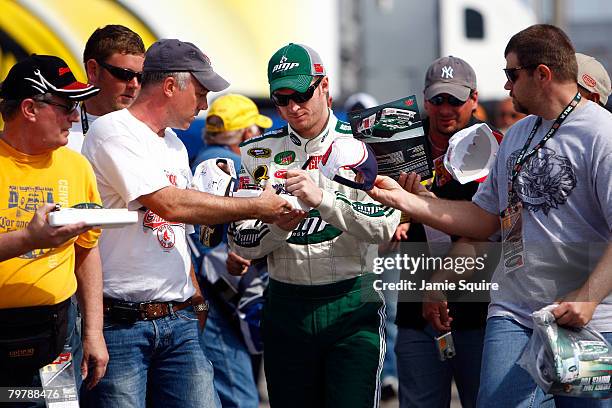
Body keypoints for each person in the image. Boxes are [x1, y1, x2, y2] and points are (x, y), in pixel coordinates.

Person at [367, 24, 612, 408]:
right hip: (513, 313)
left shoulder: (602, 136)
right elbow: (484, 220)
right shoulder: (517, 136)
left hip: (589, 320)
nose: (508, 87)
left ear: (542, 74)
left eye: (512, 74)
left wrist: (588, 298)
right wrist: (405, 201)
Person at [80, 39, 290, 408]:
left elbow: (180, 231)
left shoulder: (175, 144)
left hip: (178, 319)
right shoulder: (112, 131)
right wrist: (257, 206)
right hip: (122, 323)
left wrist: (197, 298)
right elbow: (168, 204)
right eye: (201, 91)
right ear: (170, 86)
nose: (204, 104)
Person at [228, 43, 400, 407]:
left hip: (354, 301)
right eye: (282, 99)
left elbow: (386, 226)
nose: (293, 107)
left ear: (324, 87)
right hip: (286, 305)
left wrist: (323, 199)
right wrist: (278, 225)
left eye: (301, 94)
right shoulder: (257, 152)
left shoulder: (366, 144)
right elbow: (239, 242)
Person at [392, 56, 501, 408]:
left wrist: (425, 206)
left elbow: (486, 231)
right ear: (425, 99)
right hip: (415, 314)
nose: (445, 109)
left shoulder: (495, 147)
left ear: (474, 99)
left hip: (481, 312)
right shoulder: (399, 149)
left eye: (455, 100)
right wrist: (393, 218)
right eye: (438, 99)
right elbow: (376, 236)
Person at [0, 55, 108, 392]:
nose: (74, 116)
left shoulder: (77, 167)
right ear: (30, 108)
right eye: (65, 105)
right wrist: (30, 238)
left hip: (58, 337)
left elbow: (86, 252)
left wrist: (93, 332)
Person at [192, 93, 273, 408]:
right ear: (248, 133)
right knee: (241, 398)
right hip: (222, 298)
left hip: (216, 296)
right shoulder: (230, 165)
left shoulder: (200, 160)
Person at [67, 24, 145, 152]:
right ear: (93, 70)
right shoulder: (57, 129)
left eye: (141, 77)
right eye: (125, 74)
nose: (134, 85)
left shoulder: (155, 133)